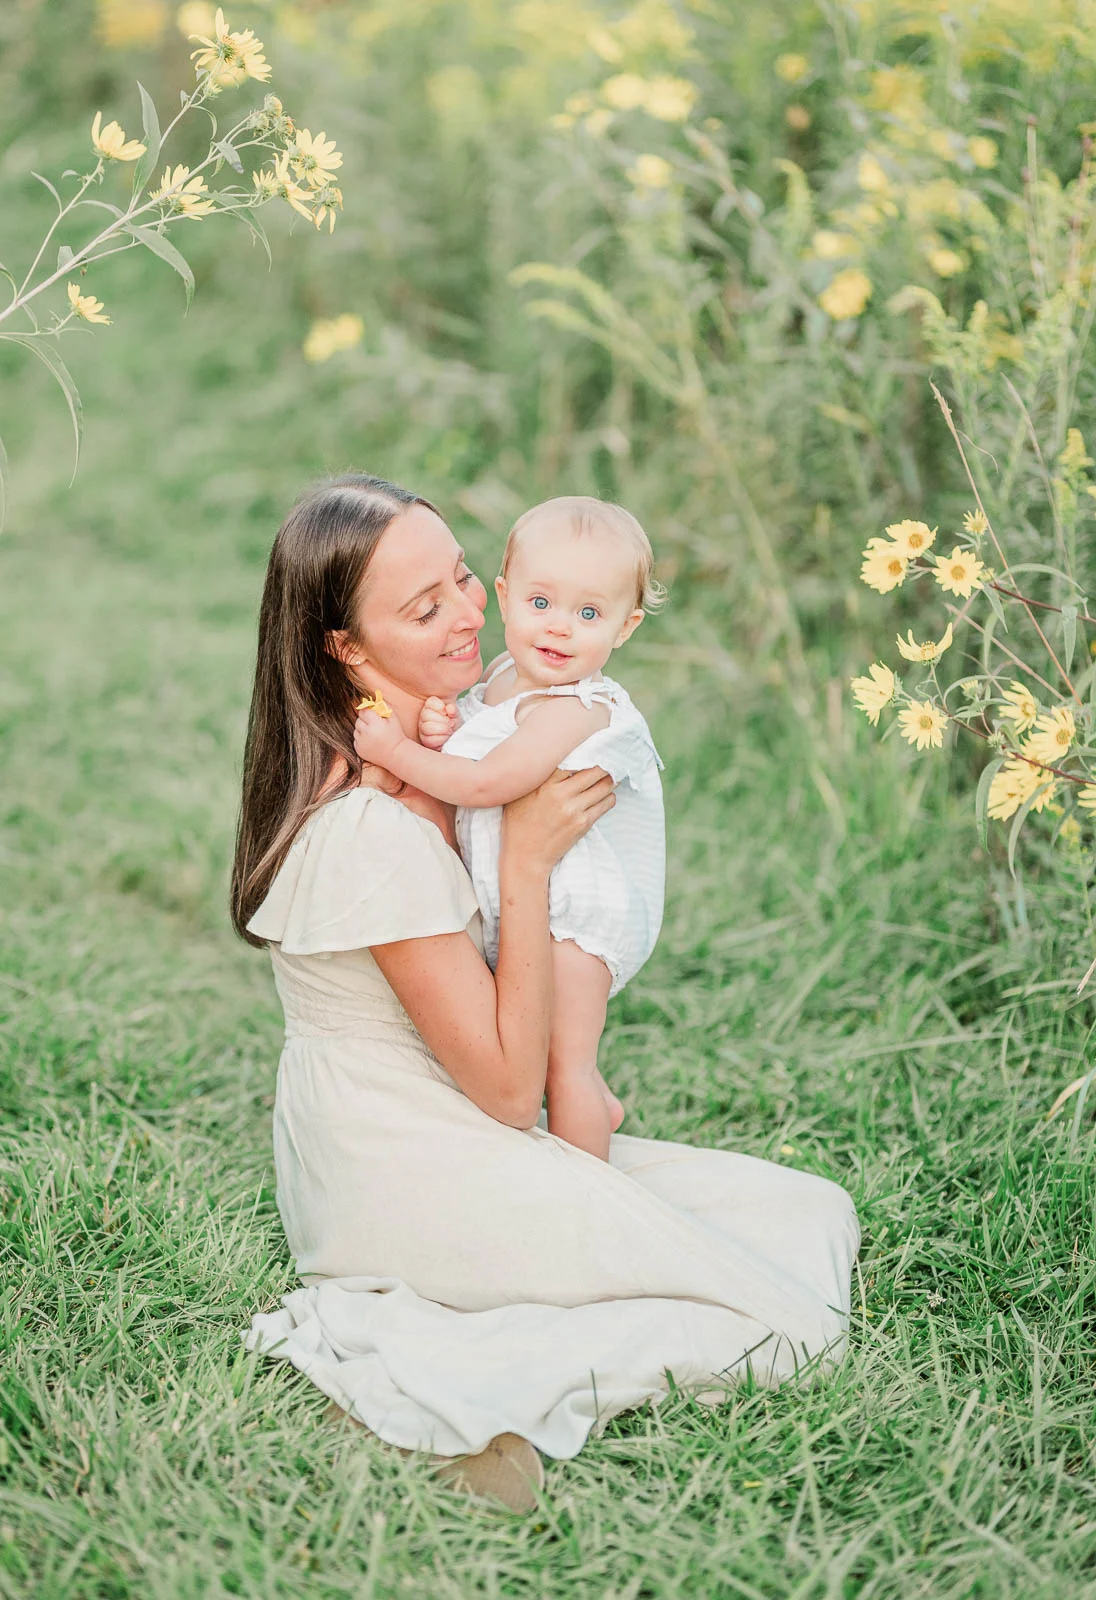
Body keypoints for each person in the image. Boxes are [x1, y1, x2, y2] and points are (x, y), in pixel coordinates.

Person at [233, 472, 860, 1511]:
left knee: (807, 1214)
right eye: (425, 608)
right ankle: (460, 1380)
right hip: (397, 1165)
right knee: (780, 1317)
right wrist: (523, 865)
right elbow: (509, 1090)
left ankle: (508, 1317)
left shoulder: (457, 740)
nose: (473, 615)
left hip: (452, 1121)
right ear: (345, 647)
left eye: (467, 578)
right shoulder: (372, 826)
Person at [352, 495, 666, 1161]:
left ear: (626, 627)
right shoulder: (500, 678)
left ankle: (592, 1195)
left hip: (580, 919)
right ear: (505, 593)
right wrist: (451, 729)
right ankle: (600, 1110)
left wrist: (399, 753)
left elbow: (490, 782)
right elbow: (480, 744)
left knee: (562, 1065)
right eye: (541, 603)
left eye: (589, 614)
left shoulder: (575, 708)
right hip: (534, 900)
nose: (559, 629)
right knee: (546, 1042)